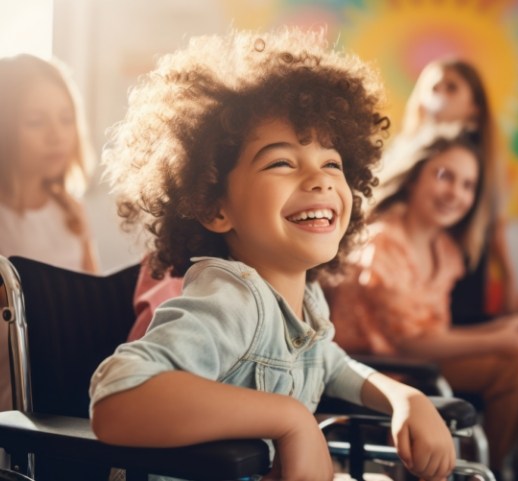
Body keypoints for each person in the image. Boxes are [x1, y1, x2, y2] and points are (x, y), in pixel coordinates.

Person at [89, 27, 456, 481]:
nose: (319, 179)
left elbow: (332, 364)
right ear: (214, 206)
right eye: (282, 162)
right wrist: (289, 419)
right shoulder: (233, 300)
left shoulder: (306, 303)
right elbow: (119, 397)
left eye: (332, 164)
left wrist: (405, 398)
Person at [324, 134, 518, 477]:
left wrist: (498, 329)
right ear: (415, 176)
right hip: (385, 369)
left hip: (426, 358)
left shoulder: (444, 248)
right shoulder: (382, 242)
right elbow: (408, 343)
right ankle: (490, 468)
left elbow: (434, 333)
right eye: (445, 176)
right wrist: (495, 339)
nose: (456, 193)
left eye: (468, 185)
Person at [383, 58, 518, 323]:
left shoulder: (484, 162)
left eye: (451, 88)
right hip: (410, 284)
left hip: (464, 280)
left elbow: (495, 227)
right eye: (434, 88)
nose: (440, 96)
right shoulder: (403, 156)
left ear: (474, 109)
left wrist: (510, 279)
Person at [0, 54, 98, 412]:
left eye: (66, 119)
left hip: (62, 394)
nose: (57, 136)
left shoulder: (71, 213)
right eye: (36, 122)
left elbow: (92, 302)